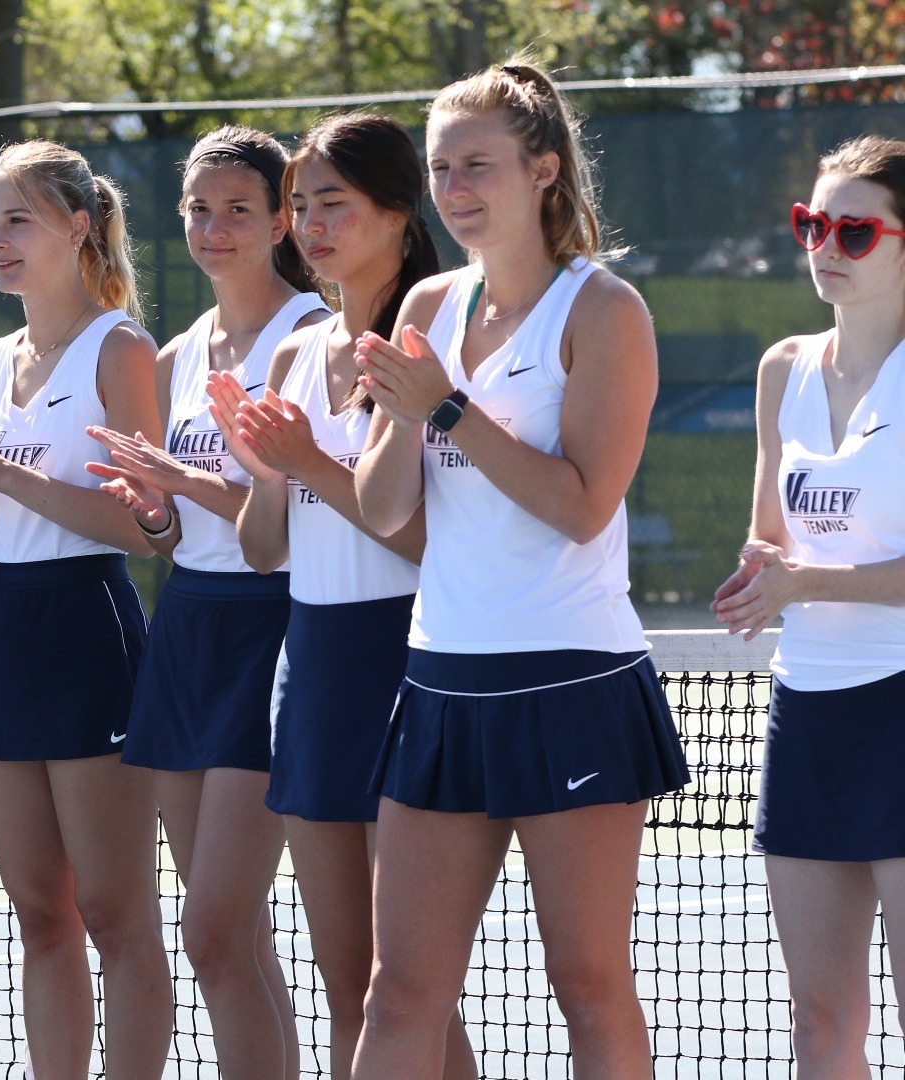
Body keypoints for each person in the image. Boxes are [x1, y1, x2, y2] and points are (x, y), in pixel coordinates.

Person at [348, 60, 688, 1079]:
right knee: (399, 991)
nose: (455, 188)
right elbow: (381, 508)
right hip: (440, 683)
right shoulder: (425, 310)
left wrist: (448, 407)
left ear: (543, 169)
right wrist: (408, 413)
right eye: (442, 167)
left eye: (479, 165)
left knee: (586, 984)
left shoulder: (604, 310)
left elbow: (583, 507)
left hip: (572, 684)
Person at [205, 111, 477, 1080]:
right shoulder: (290, 354)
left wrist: (307, 461)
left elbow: (417, 535)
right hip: (310, 664)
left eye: (337, 204)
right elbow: (262, 548)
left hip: (406, 659)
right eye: (303, 206)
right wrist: (264, 471)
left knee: (406, 987)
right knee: (346, 977)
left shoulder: (432, 339)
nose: (314, 224)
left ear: (401, 214)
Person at [0, 139, 171, 1080]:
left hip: (89, 626)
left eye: (18, 218)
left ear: (77, 226)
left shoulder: (122, 346)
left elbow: (144, 527)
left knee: (115, 911)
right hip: (3, 631)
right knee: (39, 911)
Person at [81, 125, 329, 1078]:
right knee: (227, 940)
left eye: (238, 210)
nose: (215, 228)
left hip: (277, 626)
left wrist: (183, 482)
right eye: (198, 209)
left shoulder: (309, 337)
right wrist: (150, 505)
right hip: (187, 625)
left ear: (280, 221)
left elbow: (314, 515)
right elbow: (173, 530)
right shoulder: (182, 352)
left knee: (216, 925)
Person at [712, 134, 905, 1074]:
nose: (825, 244)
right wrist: (760, 571)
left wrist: (806, 584)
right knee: (819, 1029)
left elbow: (812, 572)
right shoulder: (782, 368)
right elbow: (771, 535)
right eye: (812, 224)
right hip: (807, 714)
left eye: (856, 230)